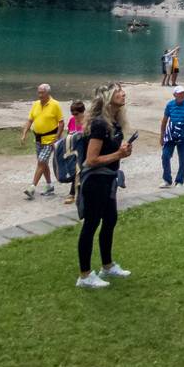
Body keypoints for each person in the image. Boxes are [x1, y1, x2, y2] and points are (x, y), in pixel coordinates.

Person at [75, 83, 134, 289]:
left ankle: (107, 266)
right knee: (91, 224)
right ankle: (84, 275)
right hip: (96, 181)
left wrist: (123, 150)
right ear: (108, 97)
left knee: (110, 220)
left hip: (108, 179)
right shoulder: (100, 124)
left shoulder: (114, 123)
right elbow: (91, 160)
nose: (123, 93)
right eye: (118, 91)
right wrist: (118, 154)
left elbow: (111, 151)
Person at [20, 83, 65, 197]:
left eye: (42, 93)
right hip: (38, 139)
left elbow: (61, 122)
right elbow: (30, 120)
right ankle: (49, 186)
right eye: (38, 92)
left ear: (47, 93)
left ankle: (32, 187)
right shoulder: (35, 104)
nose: (39, 95)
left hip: (50, 140)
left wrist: (57, 136)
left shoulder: (55, 105)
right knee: (43, 164)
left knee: (41, 162)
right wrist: (24, 133)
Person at [159, 86, 184, 186]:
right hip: (171, 133)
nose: (181, 95)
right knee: (165, 155)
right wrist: (162, 135)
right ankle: (167, 179)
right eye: (179, 93)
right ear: (174, 95)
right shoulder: (170, 105)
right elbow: (164, 120)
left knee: (183, 158)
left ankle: (179, 181)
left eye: (183, 93)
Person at [62, 100, 87, 203]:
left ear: (82, 112)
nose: (74, 116)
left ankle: (72, 194)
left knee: (79, 171)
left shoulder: (87, 121)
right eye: (72, 113)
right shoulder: (72, 120)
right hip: (74, 151)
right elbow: (69, 134)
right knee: (75, 171)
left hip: (85, 150)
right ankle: (75, 193)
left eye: (76, 114)